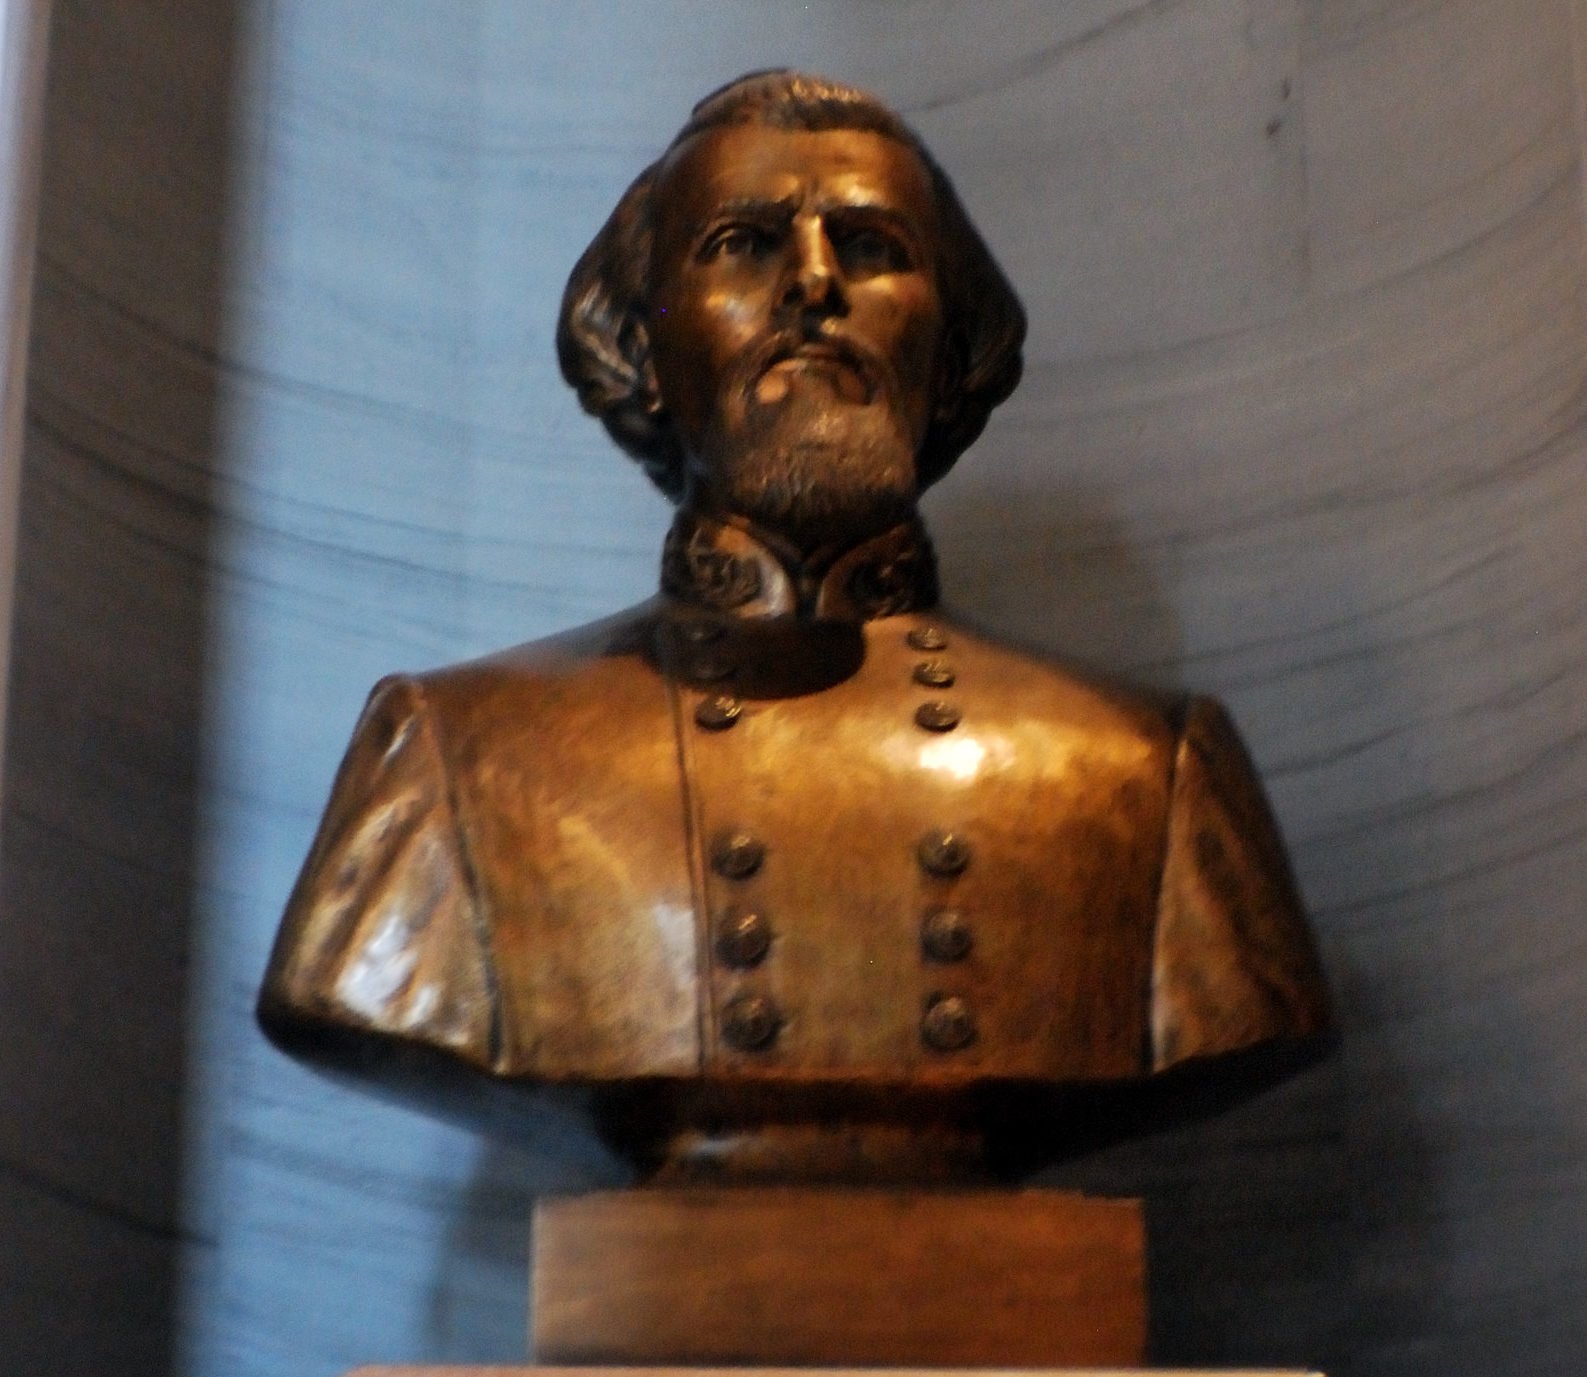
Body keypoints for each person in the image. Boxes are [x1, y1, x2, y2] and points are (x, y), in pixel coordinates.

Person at [259, 71, 1328, 1180]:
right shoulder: (454, 758)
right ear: (638, 344)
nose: (814, 284)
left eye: (870, 247)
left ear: (953, 345)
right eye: (743, 244)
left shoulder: (1151, 773)